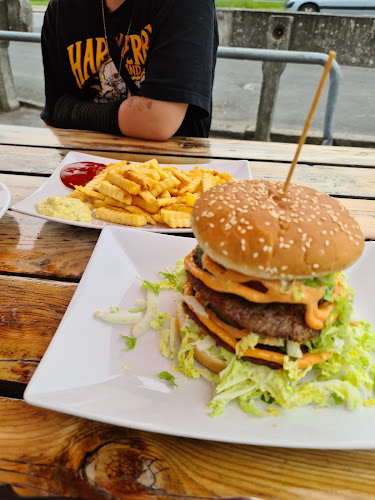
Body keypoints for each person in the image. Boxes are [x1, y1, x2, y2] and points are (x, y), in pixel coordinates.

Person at [40, 0, 219, 141]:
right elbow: (54, 119)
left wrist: (69, 111)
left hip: (171, 173)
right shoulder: (61, 9)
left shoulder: (186, 4)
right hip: (83, 167)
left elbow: (159, 121)